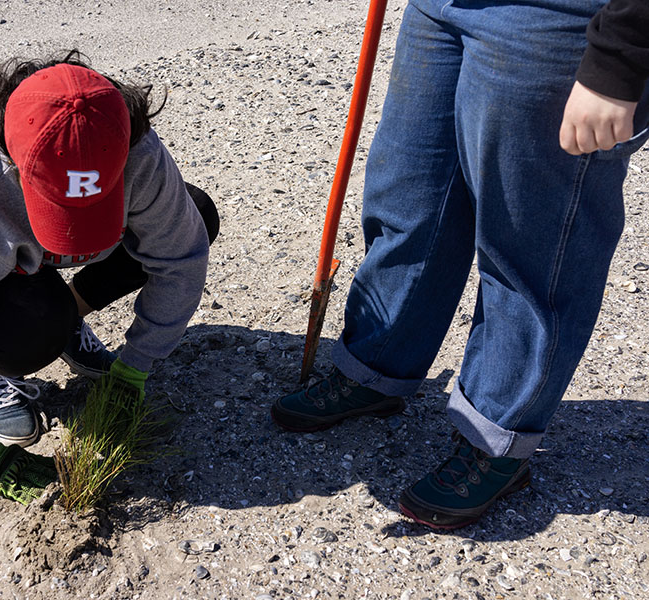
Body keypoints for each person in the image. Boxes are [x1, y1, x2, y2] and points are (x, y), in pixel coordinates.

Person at [273, 0, 648, 529]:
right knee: (410, 203)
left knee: (529, 246)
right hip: (438, 7)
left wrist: (620, 57)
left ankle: (498, 435)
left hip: (559, 17)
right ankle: (377, 369)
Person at [0, 51, 218, 505]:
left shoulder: (127, 142)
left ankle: (68, 318)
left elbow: (181, 257)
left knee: (194, 214)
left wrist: (136, 365)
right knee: (32, 327)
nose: (70, 244)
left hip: (25, 238)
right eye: (66, 213)